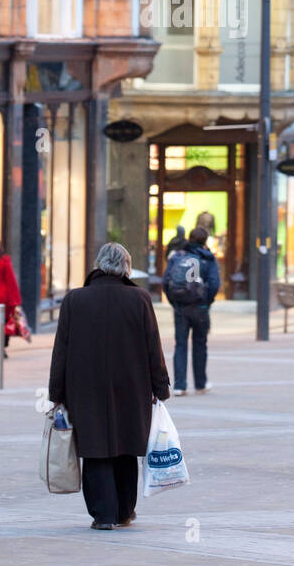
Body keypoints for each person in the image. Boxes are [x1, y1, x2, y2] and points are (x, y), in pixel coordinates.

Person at [49, 242, 170, 530]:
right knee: (127, 446)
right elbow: (153, 346)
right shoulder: (140, 299)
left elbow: (61, 351)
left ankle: (103, 515)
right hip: (131, 386)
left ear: (97, 265)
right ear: (126, 267)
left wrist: (56, 393)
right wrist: (160, 386)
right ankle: (124, 511)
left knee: (94, 447)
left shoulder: (74, 300)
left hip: (85, 387)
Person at [164, 225, 220, 396]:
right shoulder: (208, 258)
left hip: (180, 307)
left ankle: (180, 385)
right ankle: (200, 383)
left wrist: (174, 302)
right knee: (200, 344)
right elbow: (214, 283)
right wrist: (206, 301)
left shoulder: (177, 256)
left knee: (180, 344)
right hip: (200, 307)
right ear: (205, 241)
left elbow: (166, 281)